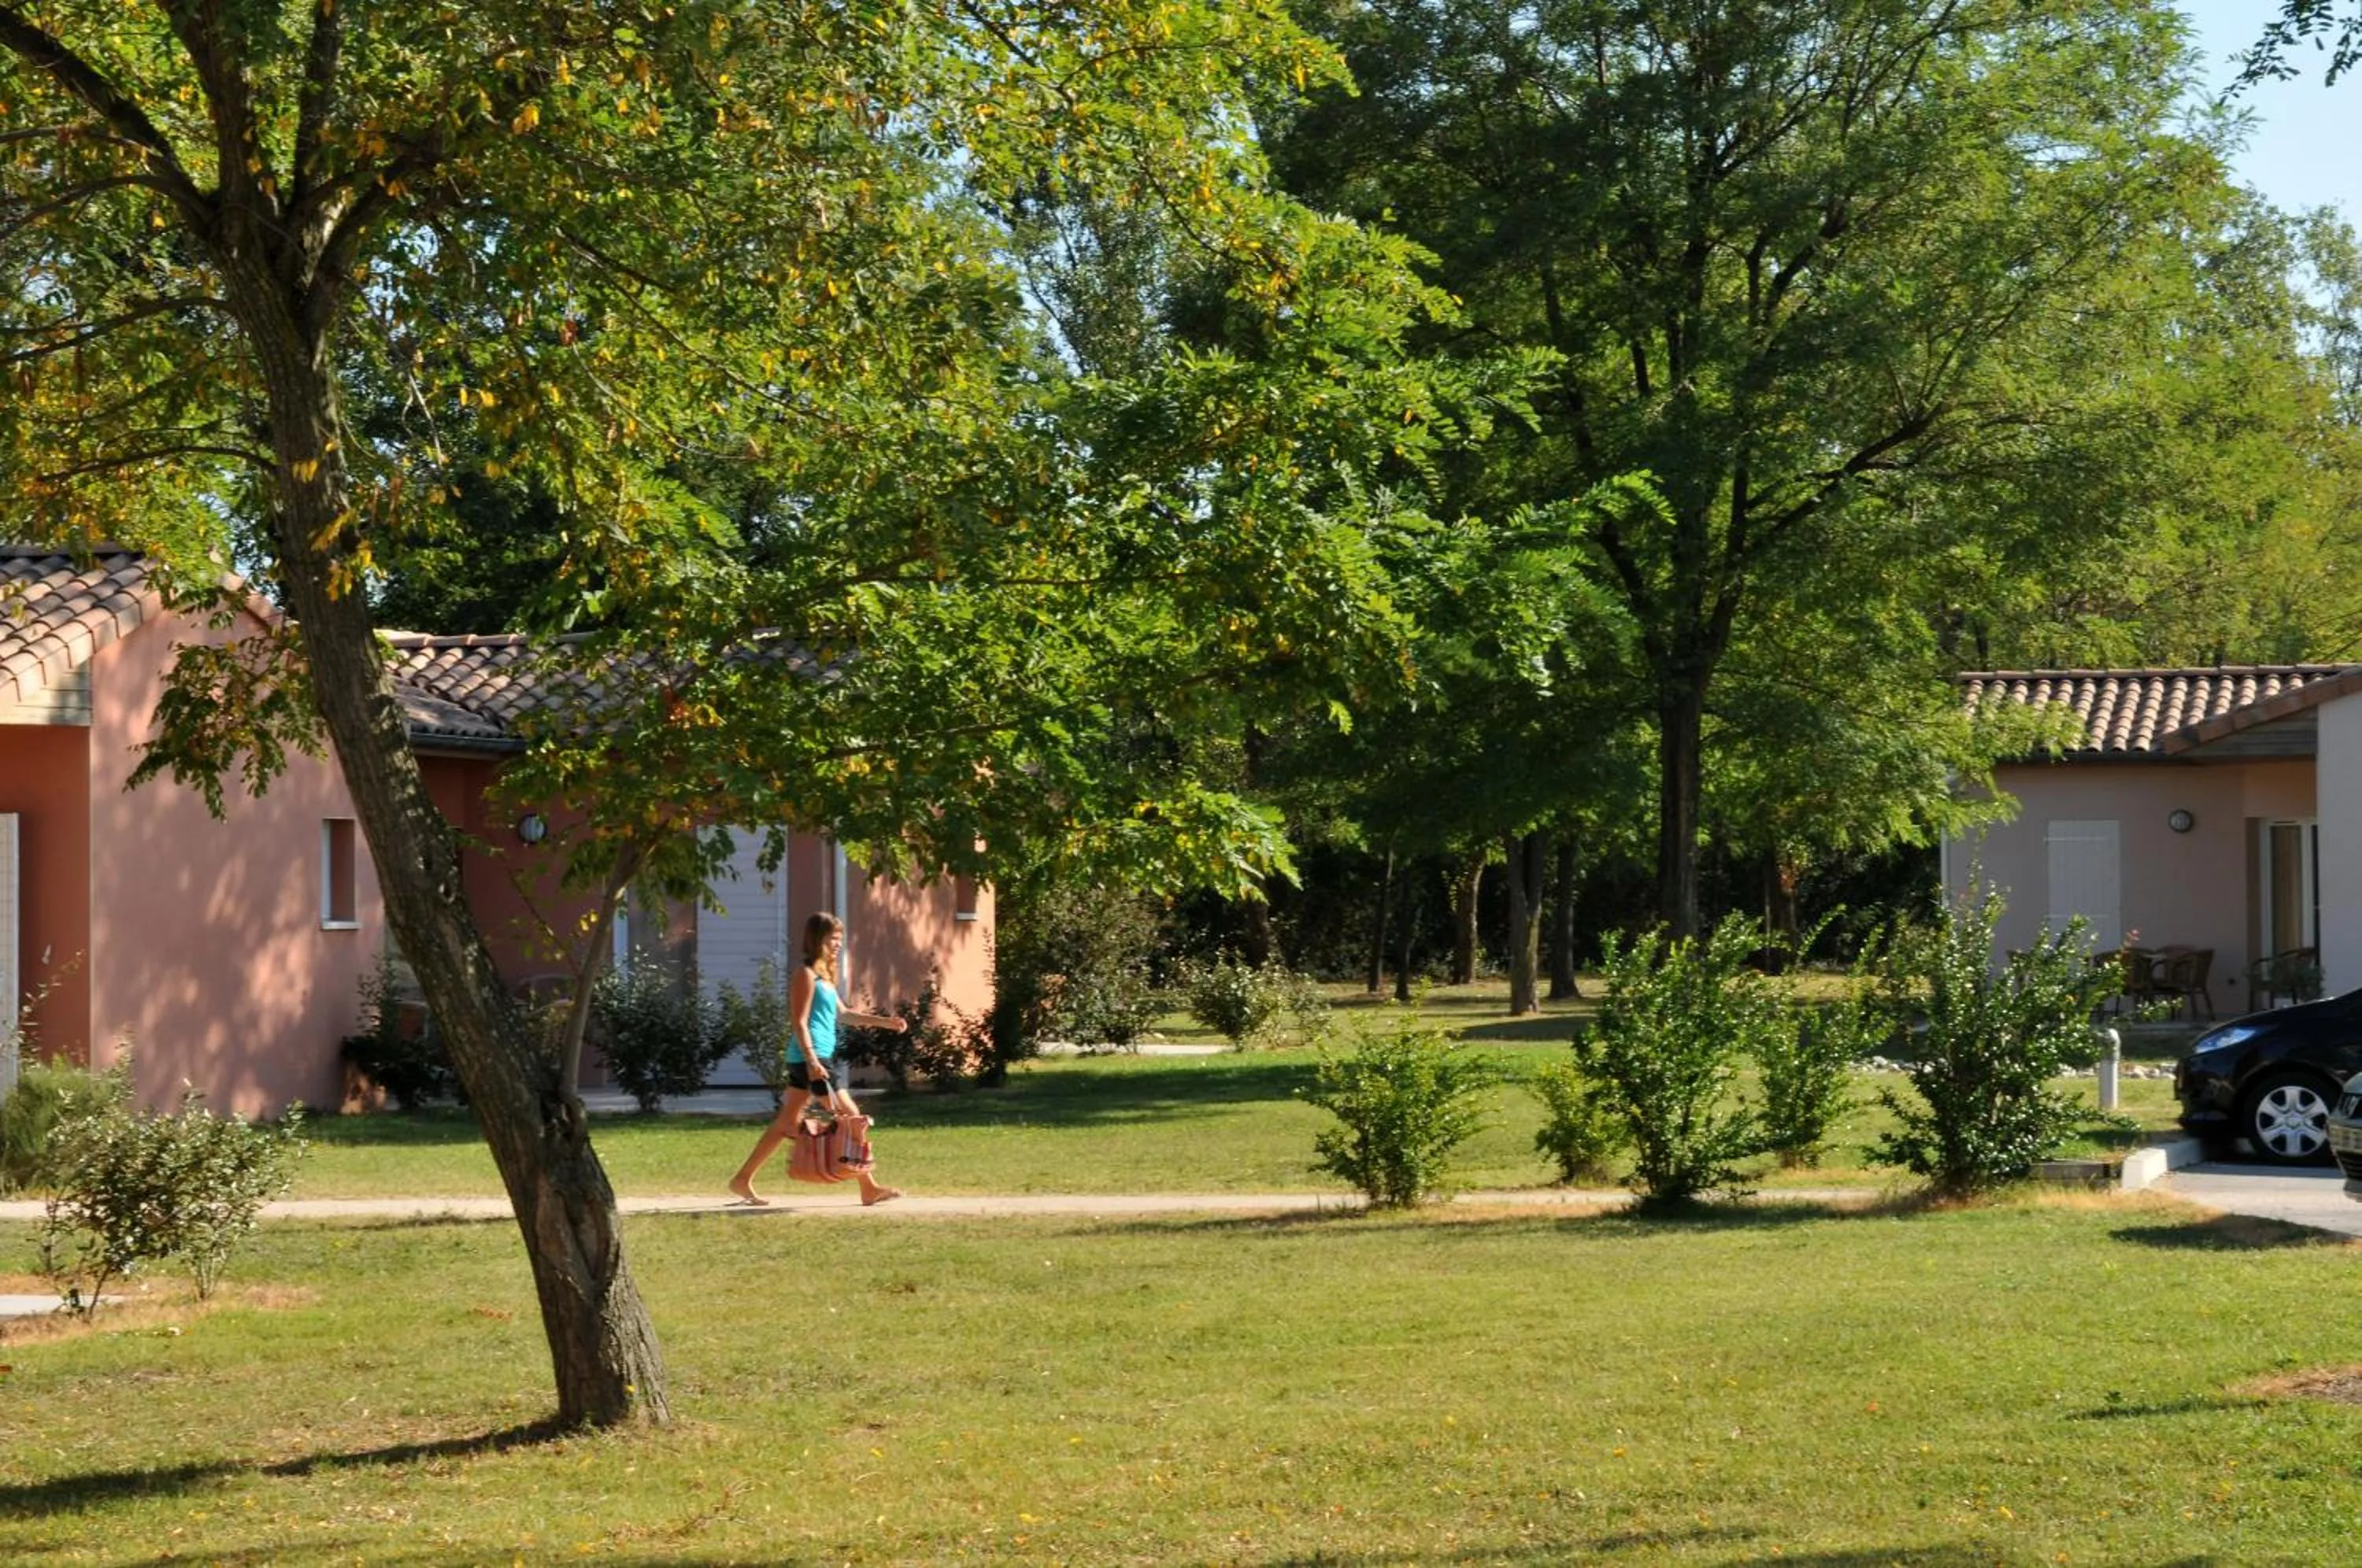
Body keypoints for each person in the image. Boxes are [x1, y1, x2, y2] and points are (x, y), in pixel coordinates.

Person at [728, 912, 906, 1207]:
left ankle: (741, 1179)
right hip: (811, 1057)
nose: (838, 943)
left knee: (786, 1124)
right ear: (817, 939)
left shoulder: (824, 978)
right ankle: (869, 1188)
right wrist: (813, 1061)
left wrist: (886, 1023)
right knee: (851, 1116)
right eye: (833, 938)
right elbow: (799, 1022)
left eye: (839, 938)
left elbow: (844, 1015)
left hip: (812, 1058)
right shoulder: (806, 975)